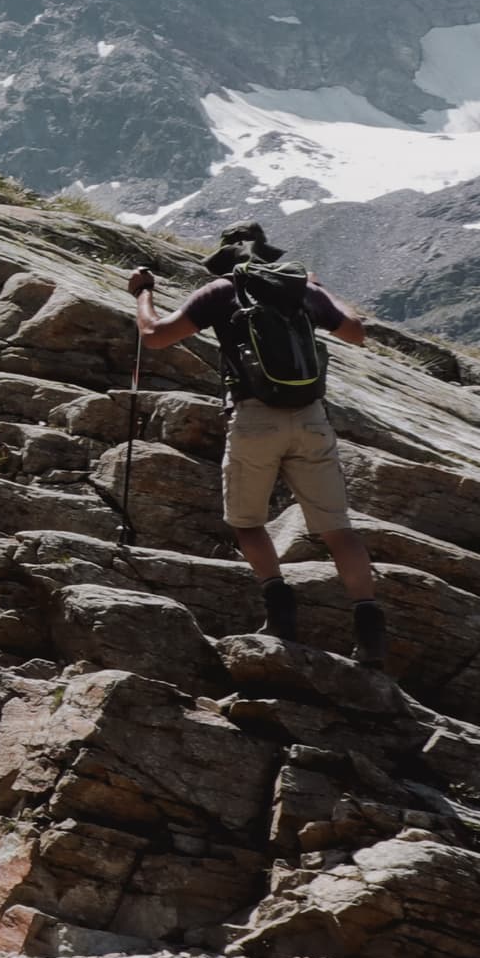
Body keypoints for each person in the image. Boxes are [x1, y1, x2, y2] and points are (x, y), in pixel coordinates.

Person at [126, 222, 387, 652]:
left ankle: (281, 615)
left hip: (254, 418)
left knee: (247, 523)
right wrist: (316, 287)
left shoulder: (222, 291)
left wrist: (142, 293)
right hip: (311, 418)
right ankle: (370, 631)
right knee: (339, 531)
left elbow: (155, 337)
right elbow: (356, 332)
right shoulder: (302, 291)